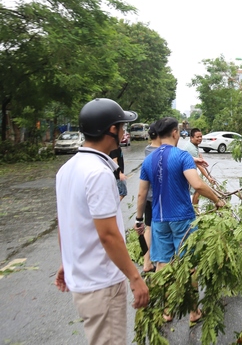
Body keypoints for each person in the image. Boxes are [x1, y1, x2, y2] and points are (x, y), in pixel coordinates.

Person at [55, 98, 149, 344]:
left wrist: (67, 260)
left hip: (84, 281)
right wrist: (135, 277)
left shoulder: (67, 169)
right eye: (122, 126)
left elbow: (65, 220)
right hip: (101, 284)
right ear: (111, 130)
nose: (124, 131)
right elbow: (108, 235)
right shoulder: (98, 173)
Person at [134, 117, 225, 324]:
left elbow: (142, 194)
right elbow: (197, 184)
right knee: (189, 264)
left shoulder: (148, 159)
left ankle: (167, 310)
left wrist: (139, 220)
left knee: (163, 264)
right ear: (175, 133)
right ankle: (193, 311)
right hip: (183, 218)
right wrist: (217, 200)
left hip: (159, 220)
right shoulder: (182, 155)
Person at [140, 121, 161, 274]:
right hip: (159, 197)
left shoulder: (148, 150)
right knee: (162, 230)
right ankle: (161, 264)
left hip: (148, 197)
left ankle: (146, 262)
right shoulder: (161, 152)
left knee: (149, 228)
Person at [182, 128, 217, 209]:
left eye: (201, 136)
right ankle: (195, 210)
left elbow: (198, 156)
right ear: (191, 138)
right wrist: (208, 178)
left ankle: (194, 209)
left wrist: (200, 156)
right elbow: (199, 166)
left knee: (194, 190)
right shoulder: (191, 148)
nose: (200, 138)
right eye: (197, 137)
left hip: (187, 171)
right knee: (198, 188)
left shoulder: (192, 144)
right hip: (186, 172)